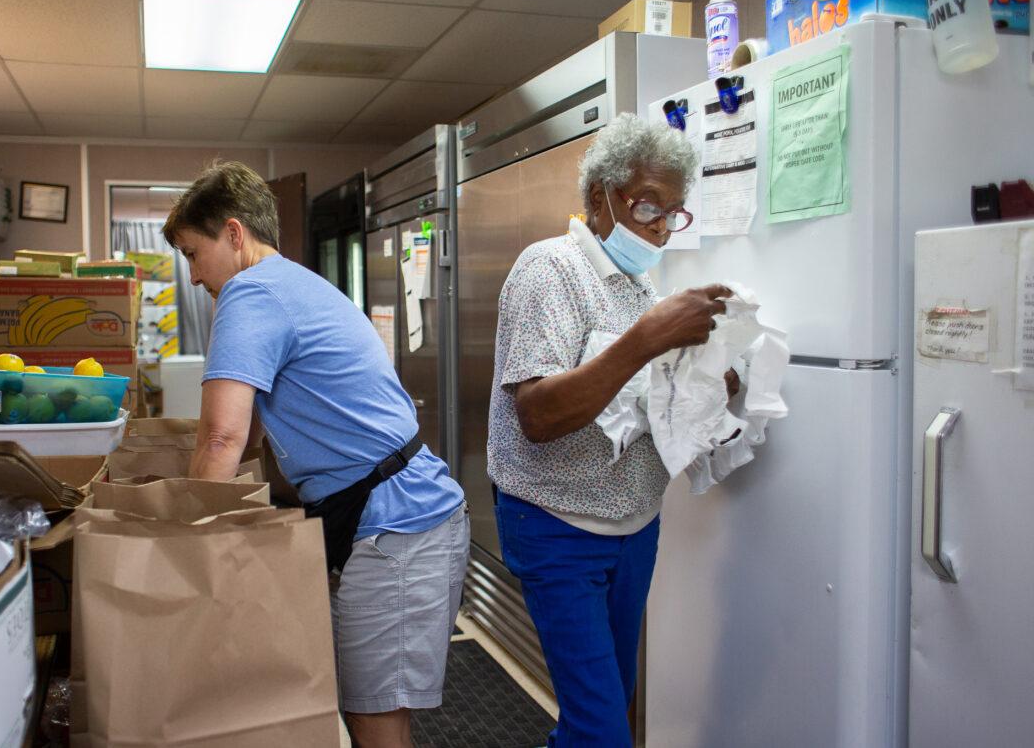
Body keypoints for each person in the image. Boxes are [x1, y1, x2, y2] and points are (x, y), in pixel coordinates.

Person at [165, 161, 469, 748]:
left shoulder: (250, 292)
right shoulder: (292, 283)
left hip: (398, 522)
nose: (195, 274)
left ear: (233, 234)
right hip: (381, 510)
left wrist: (177, 551)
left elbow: (222, 440)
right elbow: (250, 435)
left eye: (192, 253)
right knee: (357, 704)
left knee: (375, 719)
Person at [487, 114, 733, 747]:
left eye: (673, 211)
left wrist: (711, 383)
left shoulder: (640, 284)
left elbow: (640, 399)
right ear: (600, 196)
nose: (659, 224)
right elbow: (538, 415)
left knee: (606, 707)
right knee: (602, 729)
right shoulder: (549, 271)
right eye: (649, 203)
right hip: (556, 524)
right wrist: (649, 337)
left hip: (633, 526)